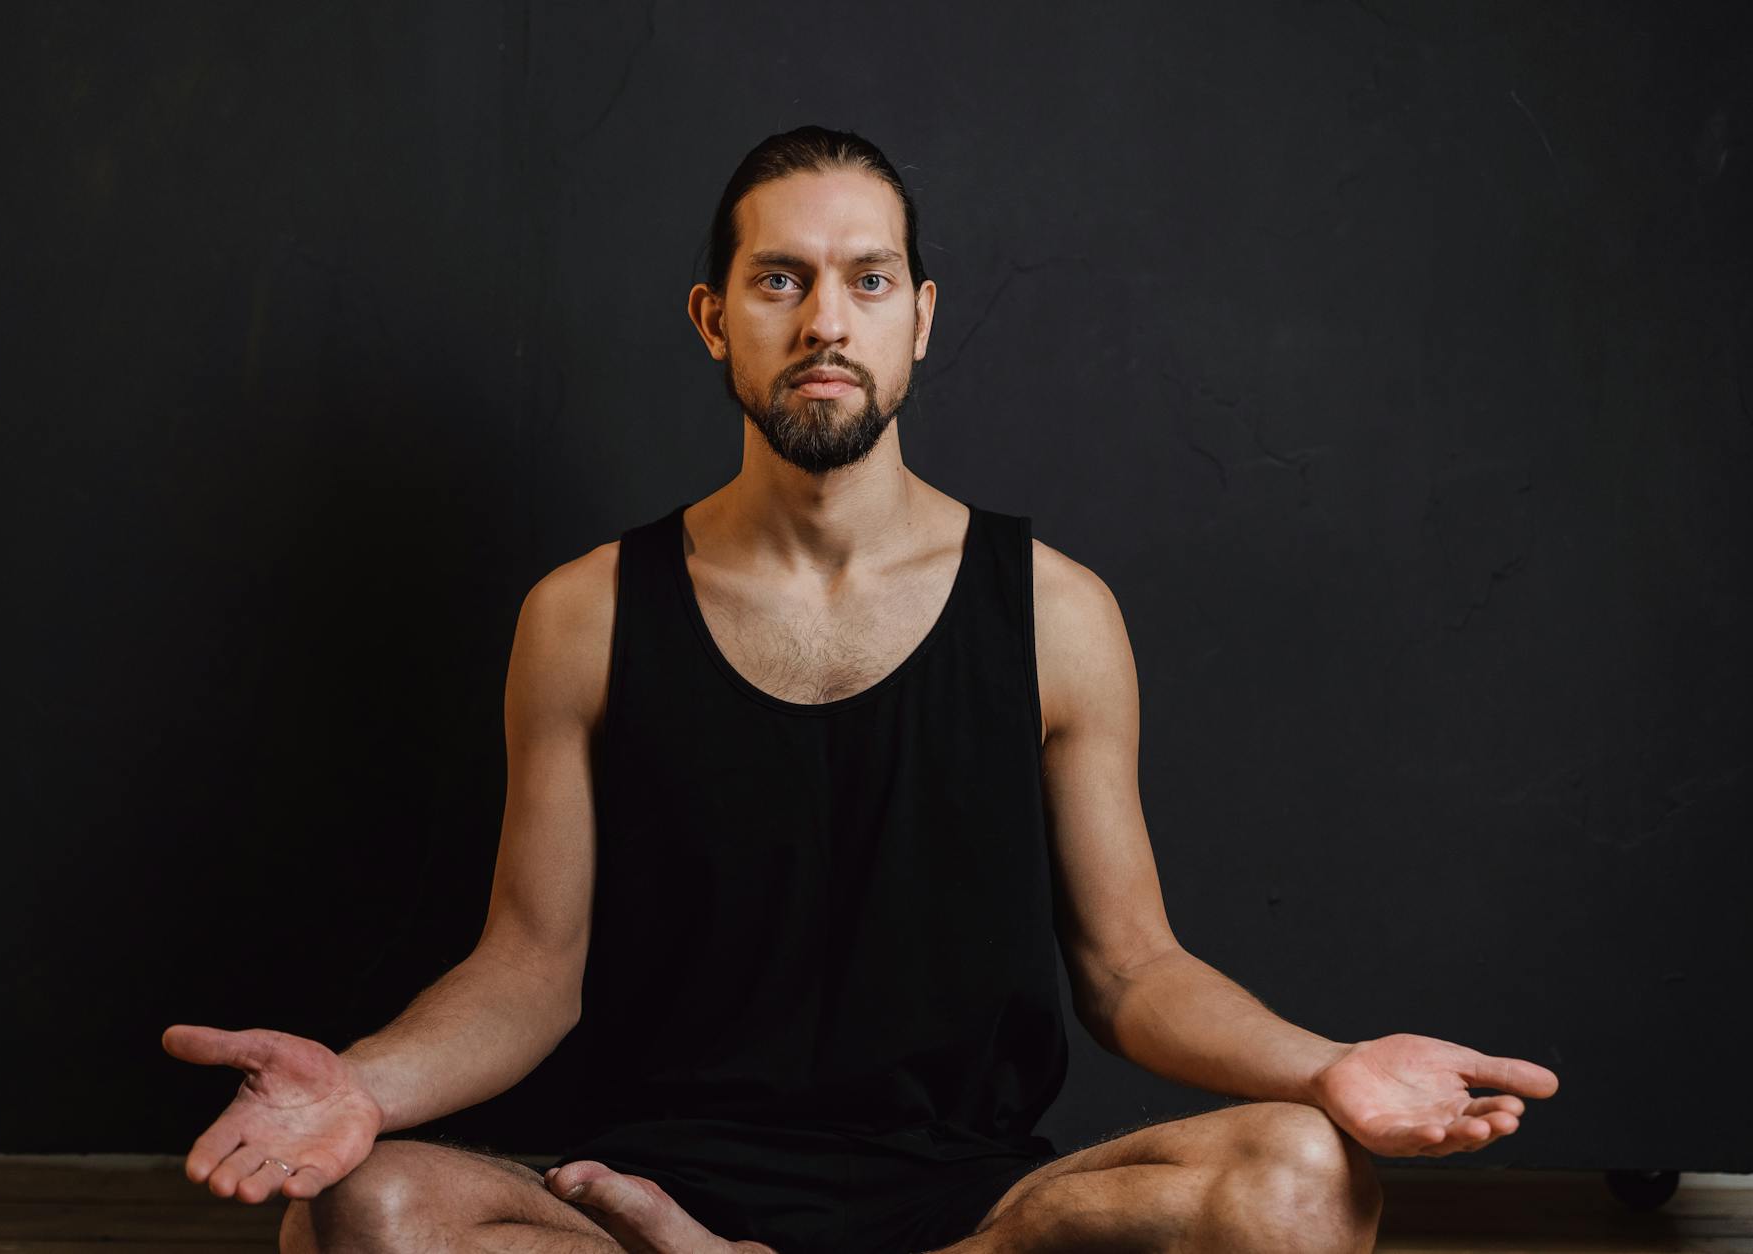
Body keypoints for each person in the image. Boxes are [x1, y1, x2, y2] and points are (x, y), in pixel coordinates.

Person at [163, 125, 1559, 1254]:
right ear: (716, 317)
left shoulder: (1060, 615)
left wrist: (1325, 1066)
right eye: (782, 280)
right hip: (653, 1210)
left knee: (1301, 1175)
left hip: (977, 1213)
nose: (827, 318)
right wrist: (363, 1084)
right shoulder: (582, 616)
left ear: (922, 317)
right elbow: (529, 969)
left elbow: (1133, 970)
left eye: (869, 279)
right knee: (360, 1208)